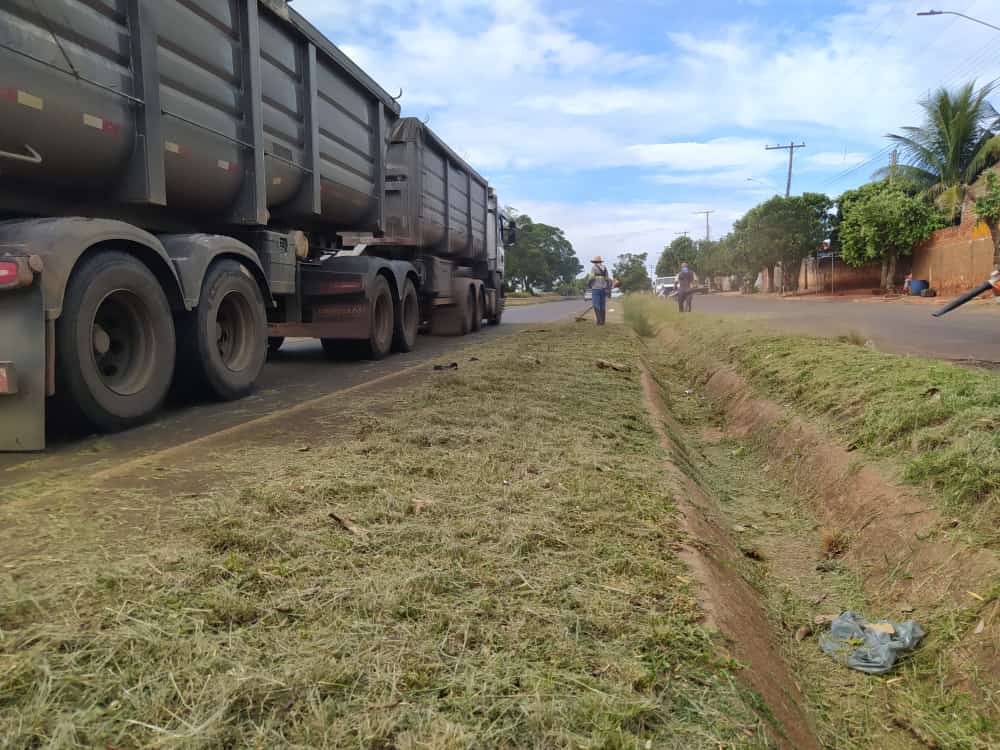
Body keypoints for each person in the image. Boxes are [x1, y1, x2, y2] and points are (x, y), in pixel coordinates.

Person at [586, 256, 612, 325]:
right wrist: (608, 288)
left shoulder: (594, 268)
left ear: (594, 262)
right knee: (602, 305)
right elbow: (608, 279)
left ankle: (599, 321)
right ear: (600, 261)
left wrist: (588, 283)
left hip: (596, 288)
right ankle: (603, 321)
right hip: (604, 289)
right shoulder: (605, 268)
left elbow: (591, 277)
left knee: (596, 304)